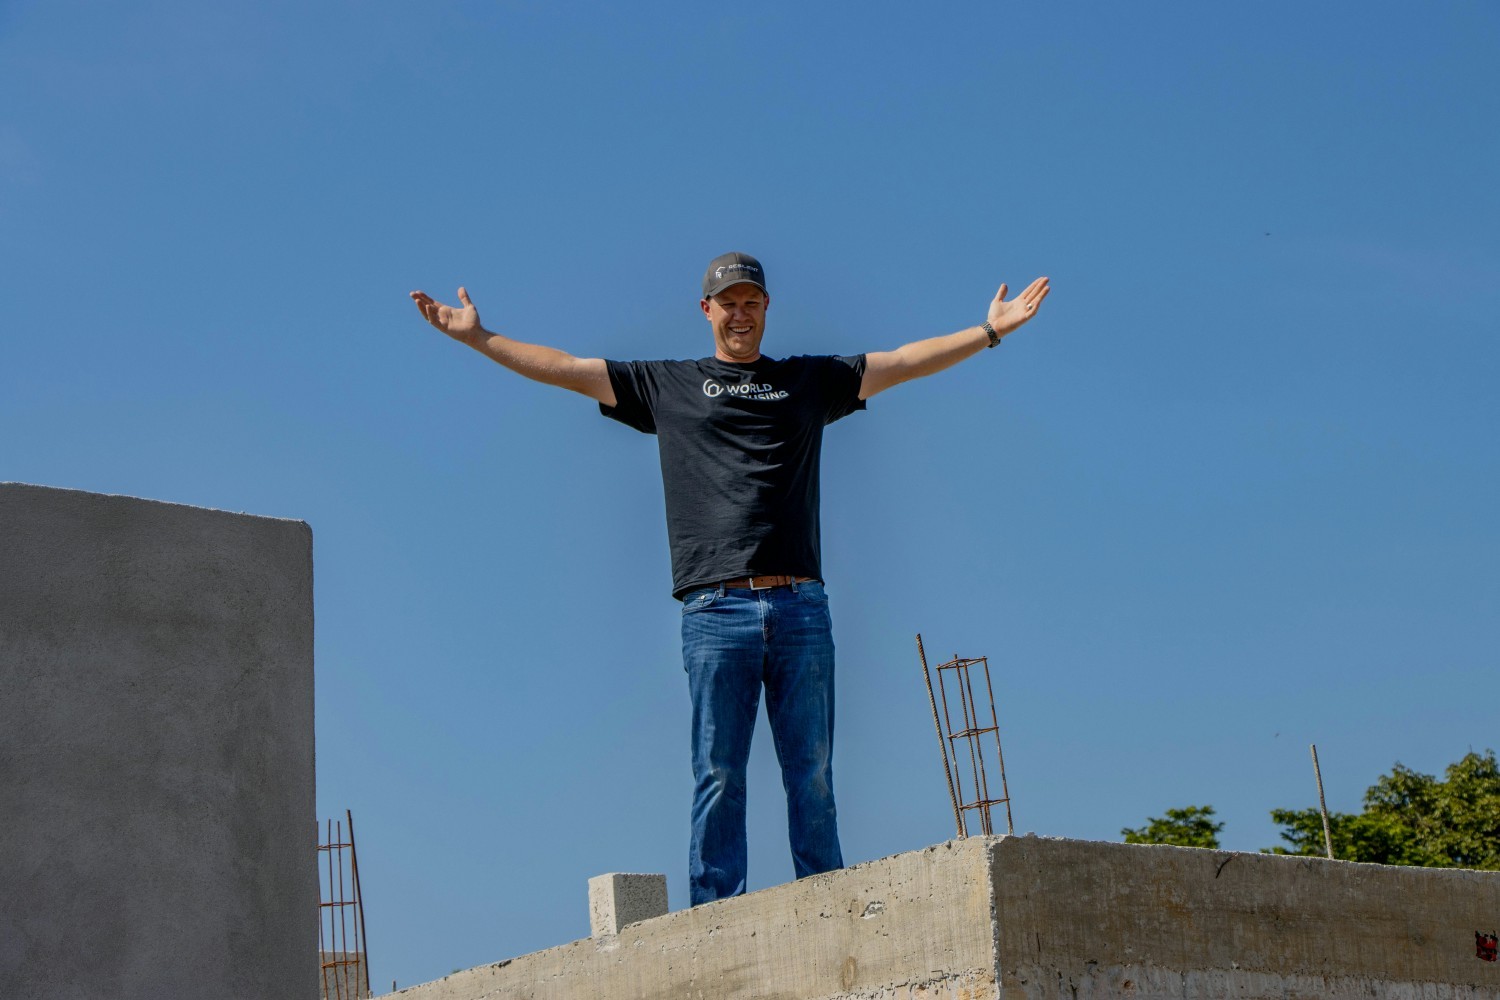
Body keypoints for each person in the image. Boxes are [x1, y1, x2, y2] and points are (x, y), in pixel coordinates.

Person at [410, 253, 1049, 905]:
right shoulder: (669, 385)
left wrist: (988, 331)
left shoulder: (811, 381)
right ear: (706, 310)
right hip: (715, 611)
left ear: (766, 309)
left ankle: (826, 900)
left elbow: (904, 361)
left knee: (814, 772)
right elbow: (570, 370)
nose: (740, 314)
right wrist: (479, 339)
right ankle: (714, 912)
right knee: (718, 772)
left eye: (752, 302)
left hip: (801, 605)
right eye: (728, 302)